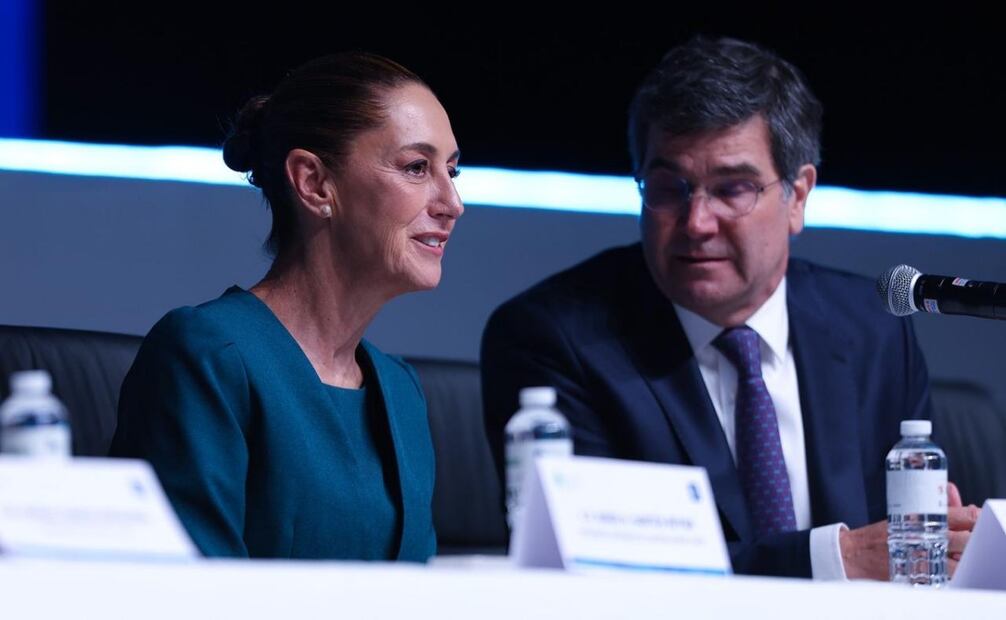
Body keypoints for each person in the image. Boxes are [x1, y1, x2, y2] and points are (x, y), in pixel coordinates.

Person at [481, 36, 977, 579]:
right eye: (668, 188)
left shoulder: (873, 329)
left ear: (797, 196)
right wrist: (838, 558)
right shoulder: (554, 338)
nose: (696, 222)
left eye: (732, 189)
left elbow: (908, 542)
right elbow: (596, 565)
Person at [110, 52, 463, 561]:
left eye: (452, 171)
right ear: (314, 183)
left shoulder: (400, 389)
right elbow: (185, 590)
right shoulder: (208, 357)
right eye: (416, 168)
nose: (453, 203)